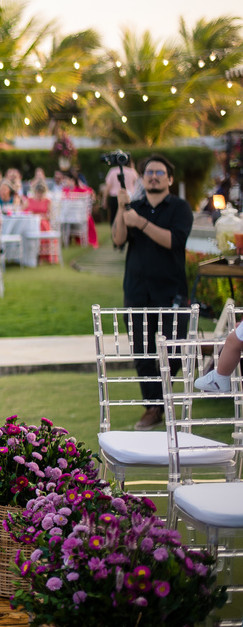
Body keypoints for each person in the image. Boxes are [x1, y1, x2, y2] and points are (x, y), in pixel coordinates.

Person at [111, 154, 194, 430]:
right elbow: (118, 239)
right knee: (143, 352)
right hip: (137, 290)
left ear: (169, 179)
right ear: (143, 178)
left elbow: (174, 241)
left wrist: (141, 223)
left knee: (172, 350)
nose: (153, 176)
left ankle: (165, 402)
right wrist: (122, 210)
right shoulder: (134, 207)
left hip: (171, 291)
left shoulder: (180, 208)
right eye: (149, 172)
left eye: (159, 172)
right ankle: (153, 407)